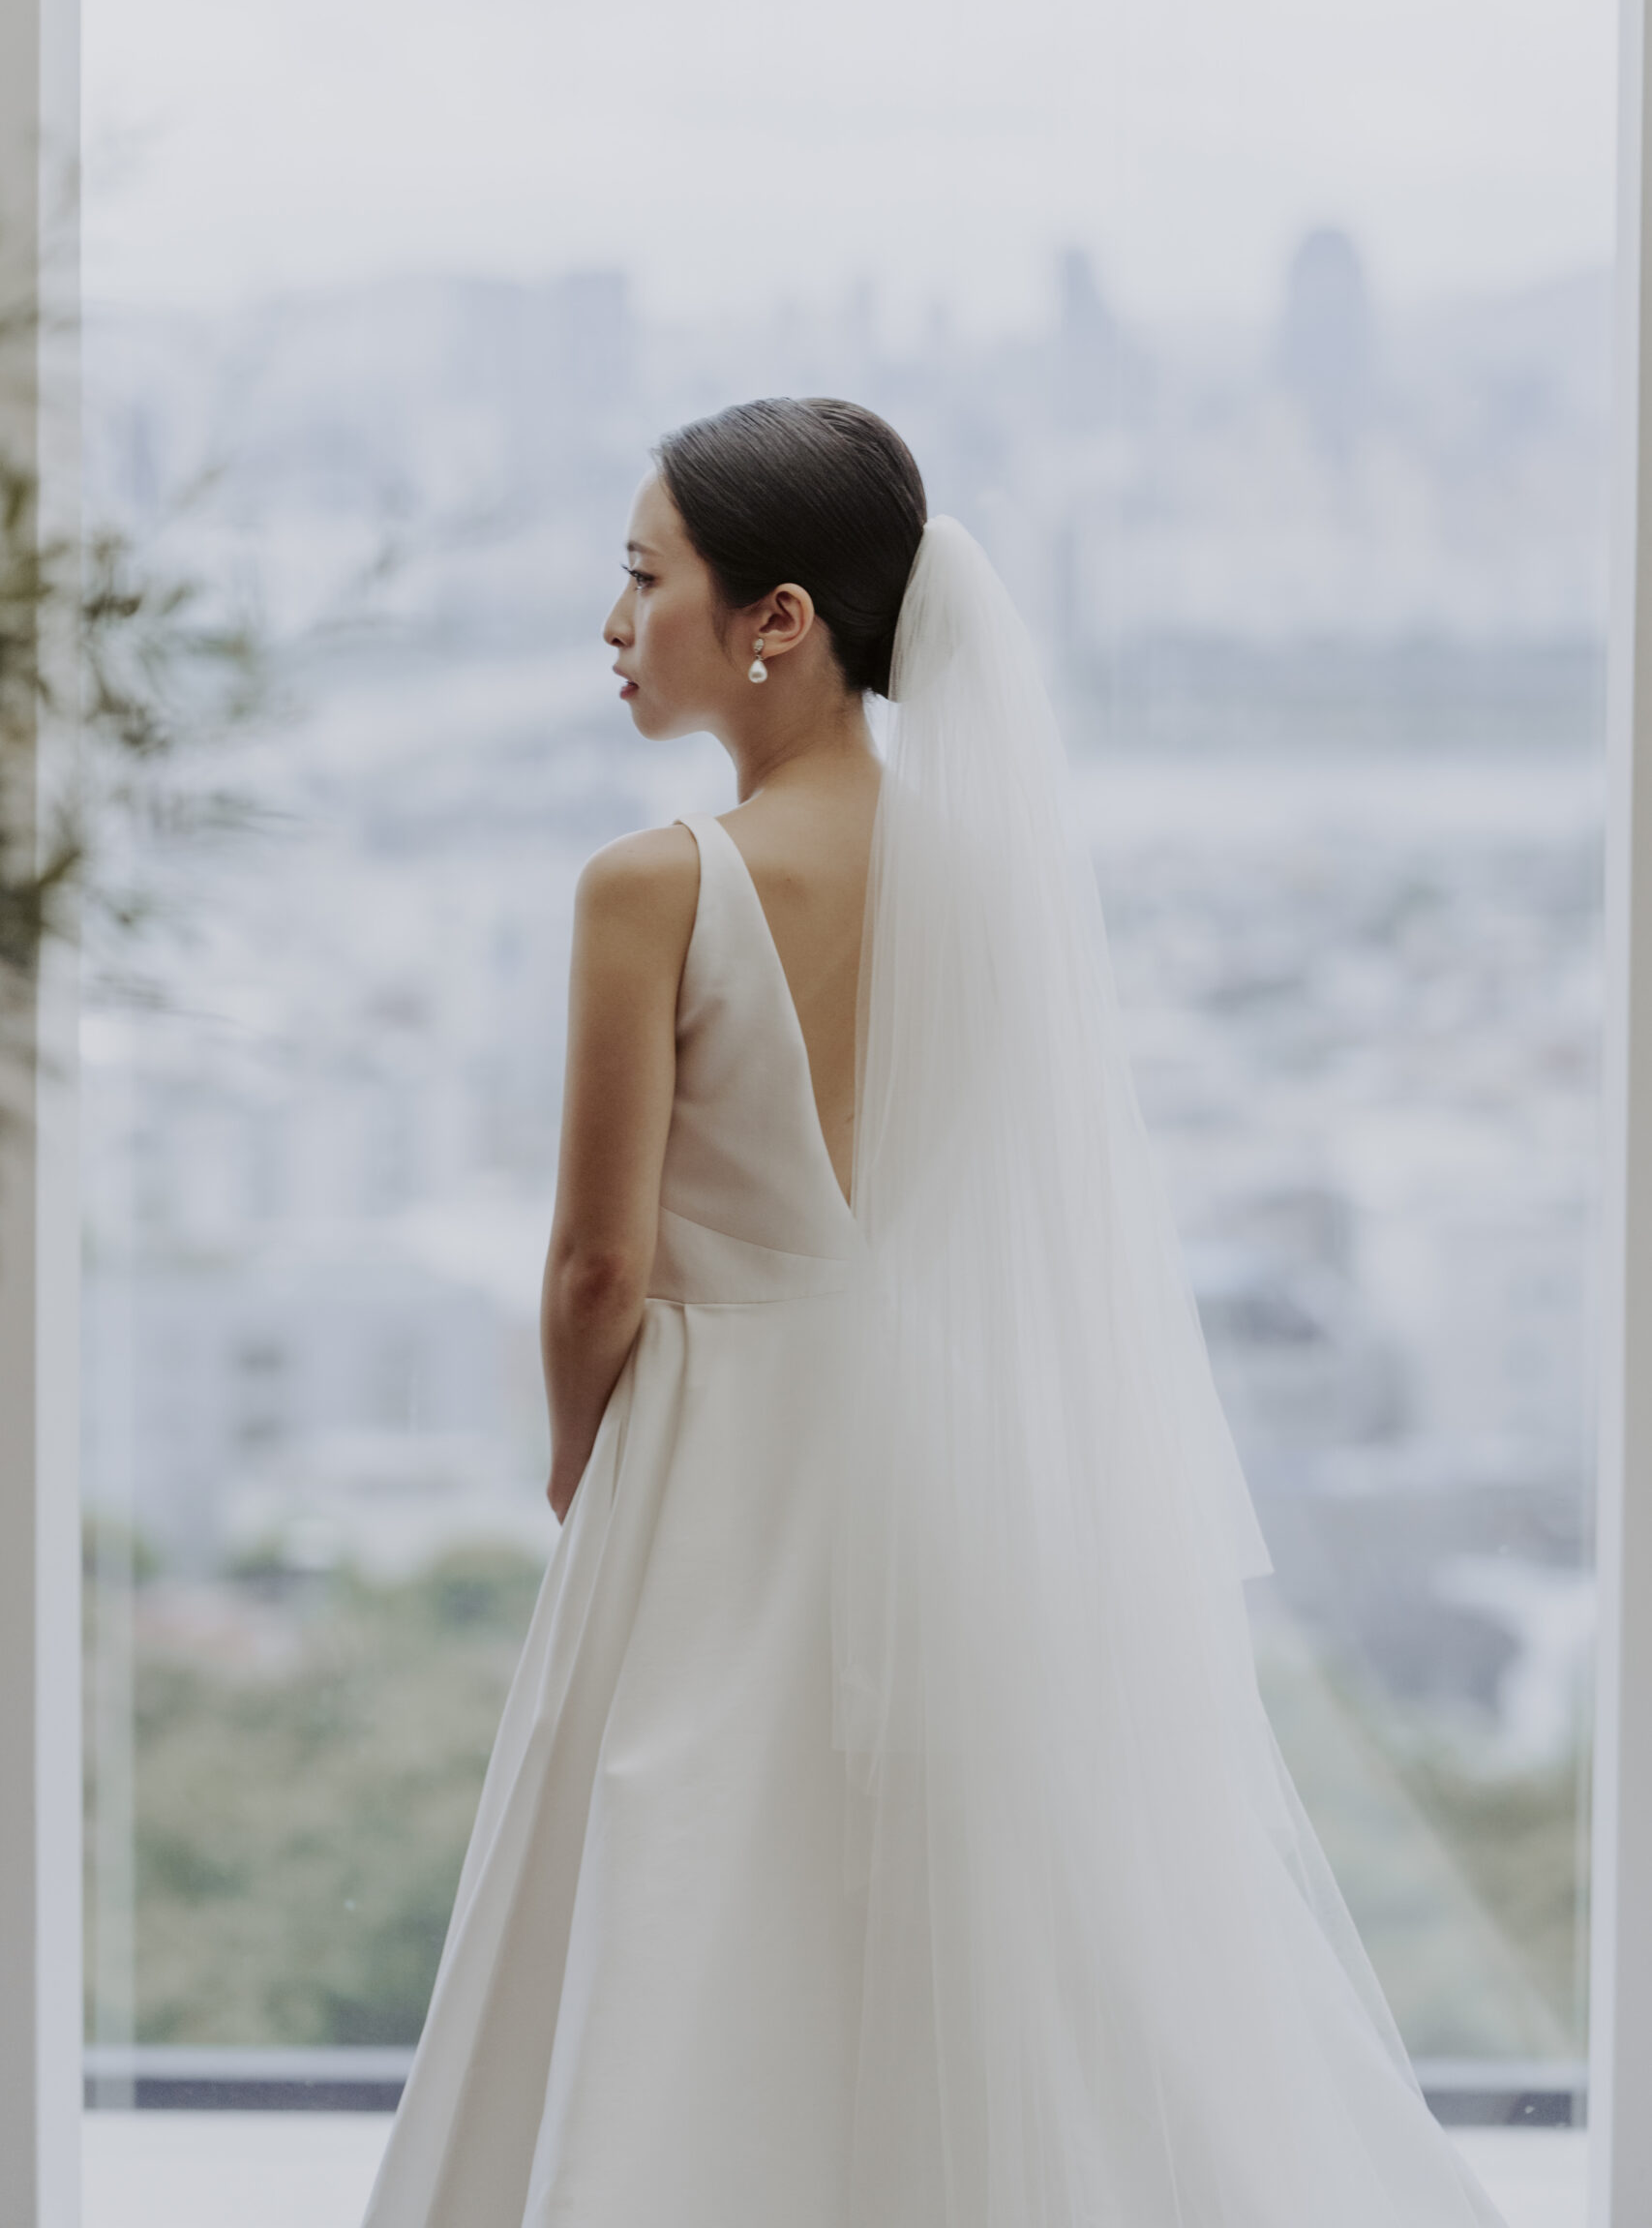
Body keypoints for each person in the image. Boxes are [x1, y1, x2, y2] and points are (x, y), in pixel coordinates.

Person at [363, 399, 1508, 2228]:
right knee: (973, 1916)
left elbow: (596, 1265)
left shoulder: (653, 887)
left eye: (645, 577)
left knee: (684, 1900)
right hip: (943, 1462)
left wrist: (579, 1455)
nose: (611, 622)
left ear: (779, 620)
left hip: (716, 1459)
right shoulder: (996, 880)